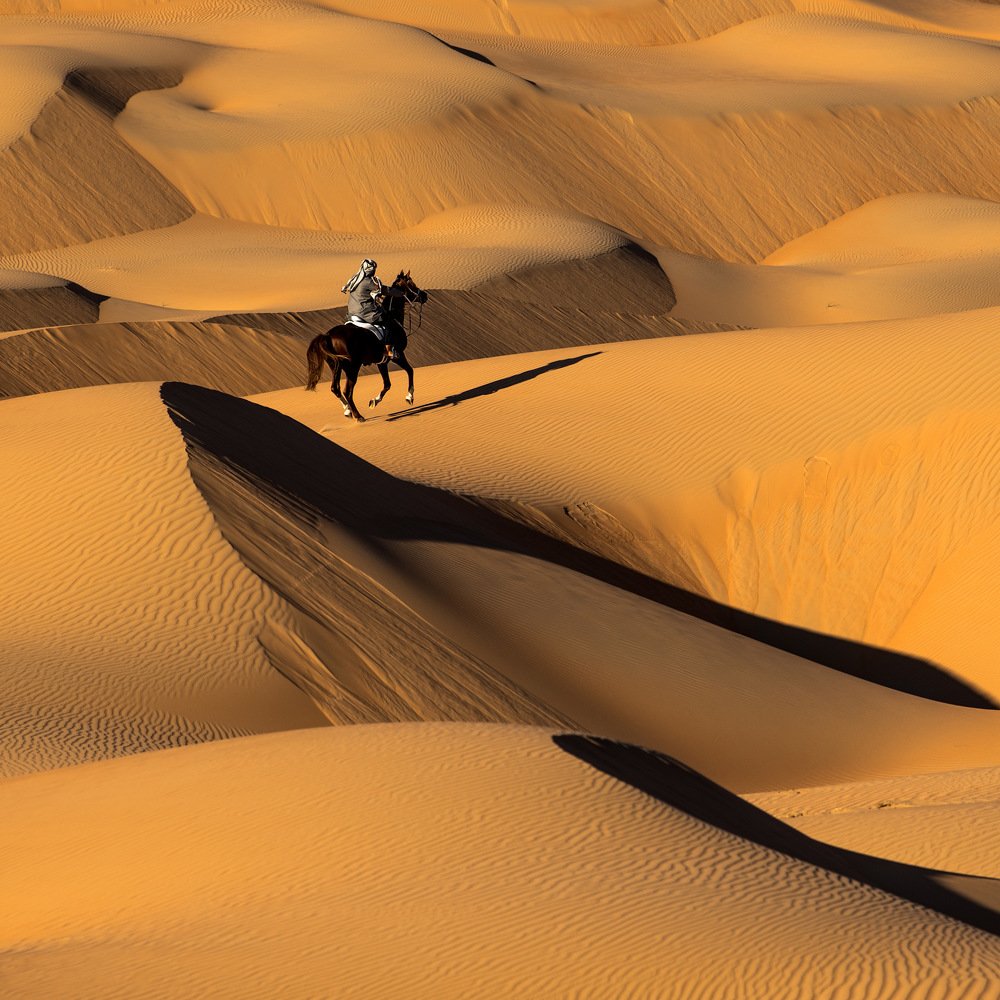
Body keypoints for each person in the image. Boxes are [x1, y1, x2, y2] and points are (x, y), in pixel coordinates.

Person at [341, 258, 404, 361]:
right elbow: (384, 290)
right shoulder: (368, 281)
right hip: (365, 313)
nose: (374, 271)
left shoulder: (355, 279)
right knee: (388, 322)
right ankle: (388, 350)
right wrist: (399, 293)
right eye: (373, 269)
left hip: (352, 313)